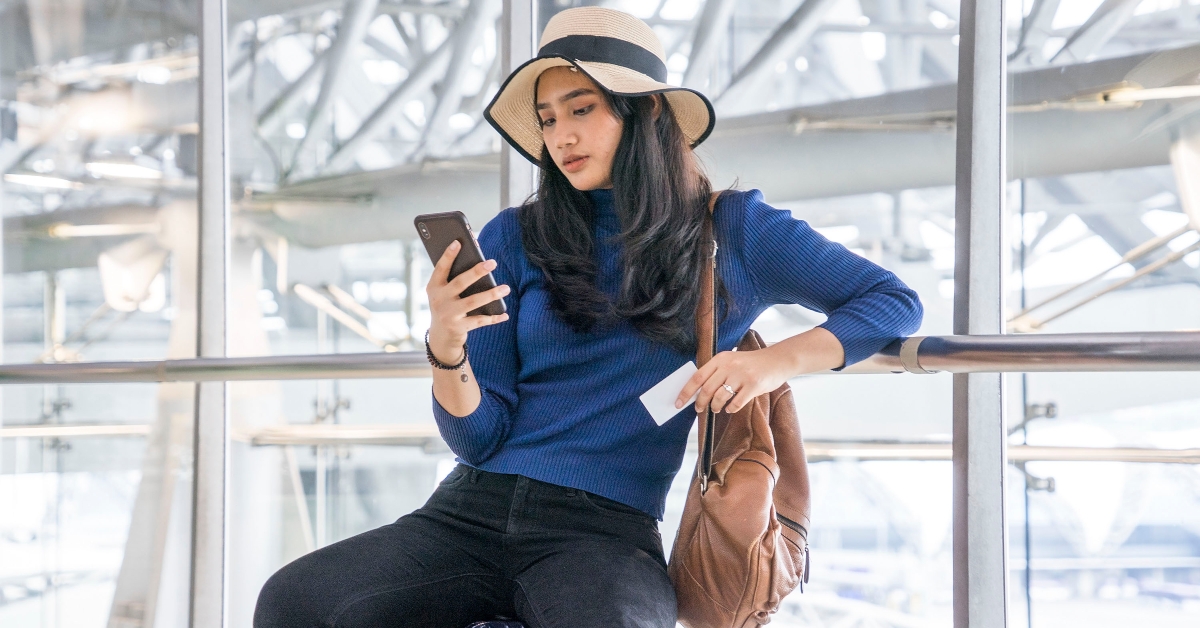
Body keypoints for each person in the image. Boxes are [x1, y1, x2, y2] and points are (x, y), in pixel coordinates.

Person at [254, 7, 922, 628]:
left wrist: (768, 363)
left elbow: (891, 302)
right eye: (546, 119)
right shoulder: (517, 235)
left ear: (646, 113)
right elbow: (479, 438)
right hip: (467, 512)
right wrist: (447, 345)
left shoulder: (732, 230)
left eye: (582, 108)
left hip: (604, 533)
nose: (561, 135)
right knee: (294, 602)